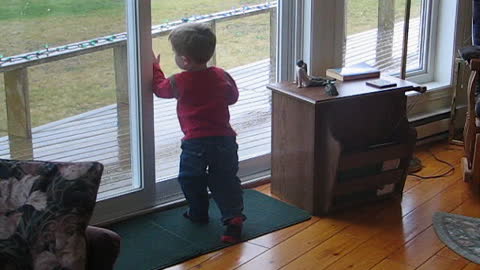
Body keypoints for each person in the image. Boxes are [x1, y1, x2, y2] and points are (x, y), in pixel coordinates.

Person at [152, 23, 246, 243]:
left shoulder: (179, 81)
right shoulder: (221, 74)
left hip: (196, 143)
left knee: (190, 178)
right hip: (225, 140)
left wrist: (155, 68)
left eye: (175, 54)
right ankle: (233, 219)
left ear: (184, 60)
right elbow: (232, 97)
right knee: (225, 180)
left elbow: (159, 89)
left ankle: (198, 212)